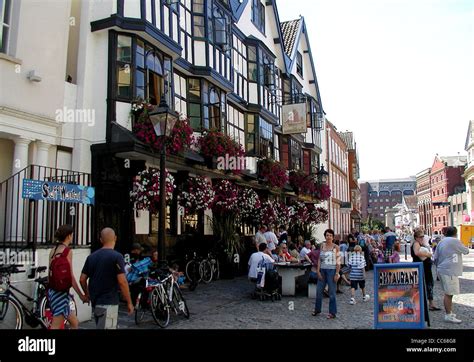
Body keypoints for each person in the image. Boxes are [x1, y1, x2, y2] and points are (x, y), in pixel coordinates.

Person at [80, 228, 134, 329]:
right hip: (109, 301)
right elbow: (122, 281)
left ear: (101, 240)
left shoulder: (91, 257)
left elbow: (82, 279)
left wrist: (87, 294)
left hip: (96, 302)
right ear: (115, 238)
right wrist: (129, 302)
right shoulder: (117, 257)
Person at [47, 224, 88, 329]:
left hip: (53, 291)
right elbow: (71, 277)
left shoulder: (53, 251)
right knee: (56, 326)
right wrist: (81, 295)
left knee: (74, 322)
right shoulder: (67, 251)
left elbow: (49, 274)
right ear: (69, 236)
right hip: (61, 294)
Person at [433, 226, 470, 323]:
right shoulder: (455, 241)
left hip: (442, 269)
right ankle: (448, 314)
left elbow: (435, 258)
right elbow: (466, 251)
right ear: (455, 233)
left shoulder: (441, 241)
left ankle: (449, 312)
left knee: (449, 292)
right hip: (450, 270)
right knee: (449, 294)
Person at [313, 229, 340, 319]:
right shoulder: (322, 246)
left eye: (330, 235)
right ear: (325, 236)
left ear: (333, 237)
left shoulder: (336, 247)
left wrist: (337, 273)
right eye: (327, 235)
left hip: (331, 271)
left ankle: (332, 312)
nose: (328, 237)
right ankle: (317, 309)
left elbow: (338, 261)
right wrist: (318, 271)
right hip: (322, 270)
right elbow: (320, 259)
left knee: (331, 292)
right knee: (318, 291)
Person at [412, 228, 440, 312]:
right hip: (422, 267)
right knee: (425, 284)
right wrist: (428, 254)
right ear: (416, 237)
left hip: (426, 267)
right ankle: (428, 304)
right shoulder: (416, 243)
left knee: (429, 284)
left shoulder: (421, 243)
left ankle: (430, 303)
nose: (422, 238)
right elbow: (417, 253)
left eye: (423, 236)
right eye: (420, 236)